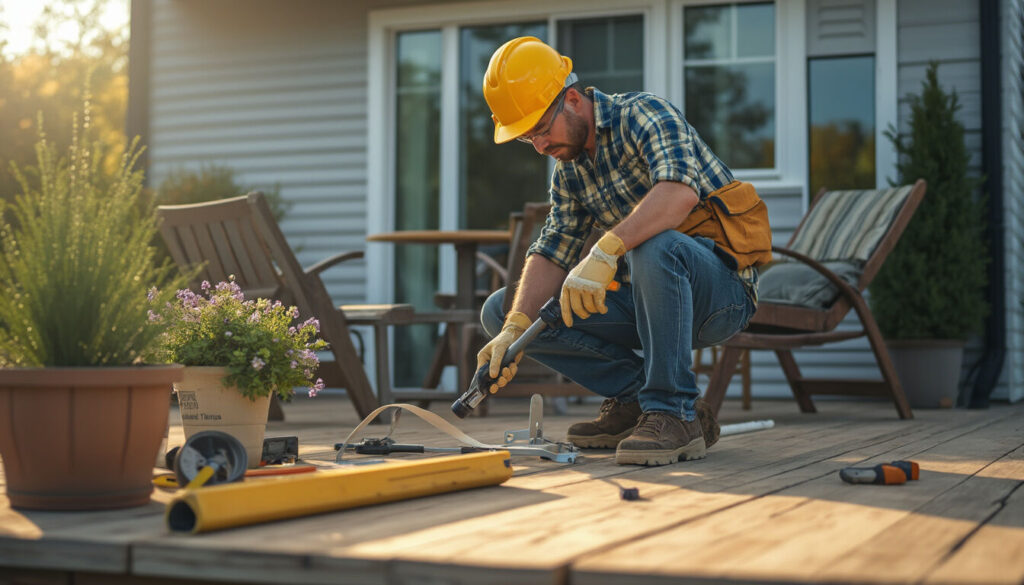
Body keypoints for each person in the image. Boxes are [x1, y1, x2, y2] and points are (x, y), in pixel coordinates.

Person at [476, 37, 771, 466]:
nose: (539, 146)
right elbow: (553, 249)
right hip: (647, 303)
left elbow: (678, 195)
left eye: (541, 129)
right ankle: (638, 401)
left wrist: (606, 248)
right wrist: (513, 328)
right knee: (499, 310)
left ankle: (675, 411)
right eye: (527, 139)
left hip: (720, 296)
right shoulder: (569, 171)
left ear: (573, 100)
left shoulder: (645, 115)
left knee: (657, 243)